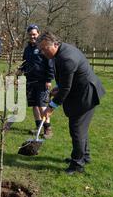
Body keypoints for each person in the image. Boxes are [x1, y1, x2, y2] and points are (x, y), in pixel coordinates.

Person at [39, 31, 105, 175]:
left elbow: (66, 88)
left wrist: (51, 107)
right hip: (80, 92)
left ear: (55, 44)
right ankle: (84, 157)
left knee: (77, 130)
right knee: (80, 128)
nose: (43, 52)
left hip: (86, 95)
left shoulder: (67, 57)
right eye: (41, 49)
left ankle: (77, 165)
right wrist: (58, 87)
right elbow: (67, 81)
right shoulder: (60, 52)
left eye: (45, 48)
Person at [19, 24, 55, 138]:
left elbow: (50, 63)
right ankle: (38, 126)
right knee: (34, 105)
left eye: (34, 34)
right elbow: (24, 63)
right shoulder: (27, 49)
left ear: (38, 34)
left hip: (42, 80)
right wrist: (20, 71)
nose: (32, 36)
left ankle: (47, 129)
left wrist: (49, 79)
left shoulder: (43, 46)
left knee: (42, 105)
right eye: (30, 35)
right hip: (30, 81)